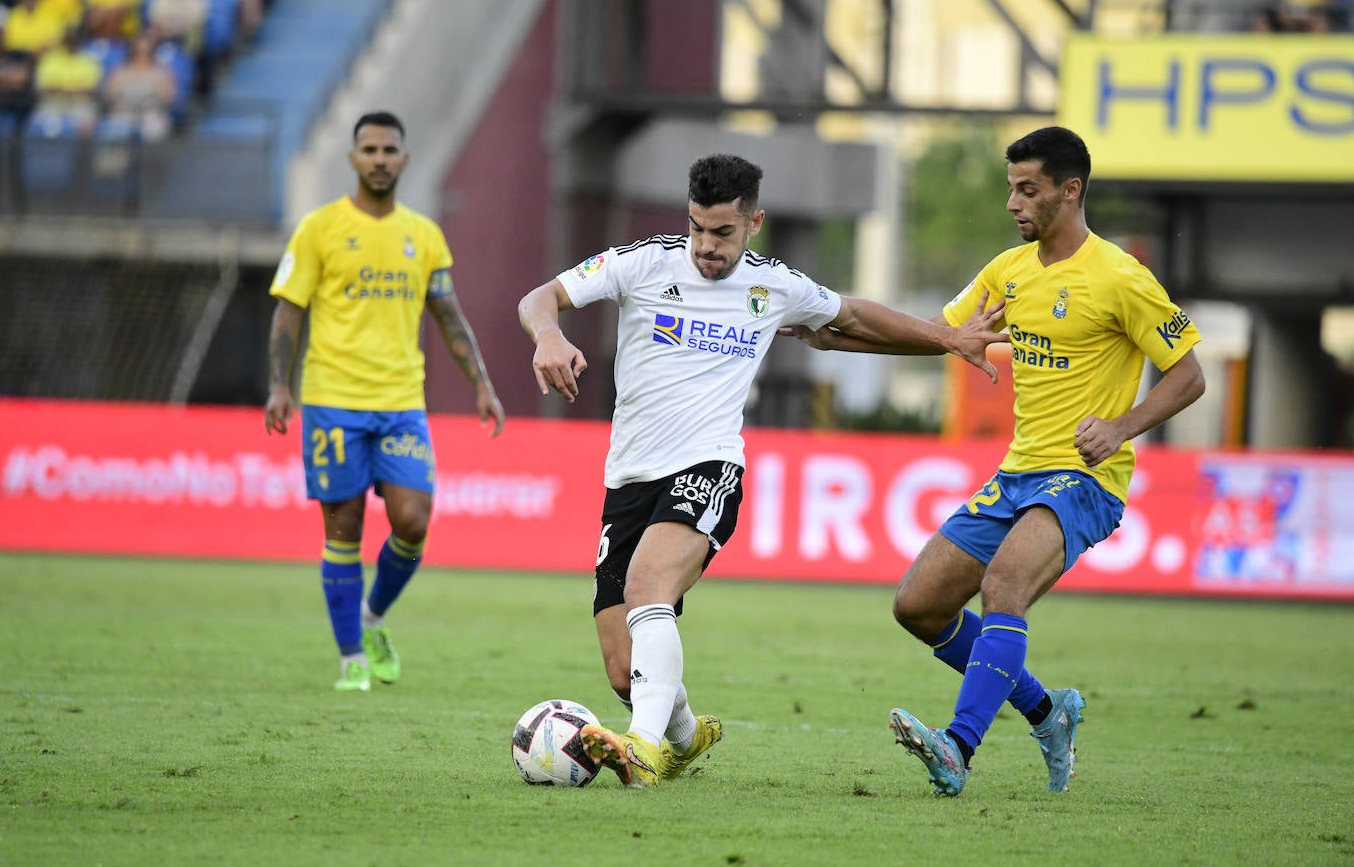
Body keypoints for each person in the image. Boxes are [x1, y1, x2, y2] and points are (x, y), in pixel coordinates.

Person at [517, 153, 1009, 788]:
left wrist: (948, 338)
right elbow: (541, 298)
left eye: (722, 232)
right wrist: (547, 335)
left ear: (754, 223)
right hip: (628, 480)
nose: (705, 246)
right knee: (622, 669)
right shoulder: (643, 262)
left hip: (709, 467)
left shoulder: (775, 286)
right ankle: (686, 735)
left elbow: (854, 317)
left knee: (647, 590)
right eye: (697, 227)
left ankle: (641, 748)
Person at [789, 126, 1206, 797]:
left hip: (1084, 479)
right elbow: (949, 338)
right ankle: (1048, 711)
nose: (1013, 203)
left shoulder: (1120, 277)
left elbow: (1188, 375)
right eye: (1011, 188)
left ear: (1069, 192)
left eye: (1028, 190)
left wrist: (1123, 426)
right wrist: (840, 343)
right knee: (919, 607)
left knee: (1005, 587)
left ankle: (958, 748)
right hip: (1018, 476)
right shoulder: (1008, 273)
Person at [264, 111, 506, 692]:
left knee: (413, 521)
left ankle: (371, 620)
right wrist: (279, 385)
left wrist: (481, 383)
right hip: (332, 399)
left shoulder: (423, 235)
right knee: (343, 528)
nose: (378, 158)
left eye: (388, 149)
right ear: (353, 159)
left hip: (400, 402)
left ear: (403, 158)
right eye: (368, 149)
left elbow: (448, 314)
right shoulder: (319, 229)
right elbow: (288, 311)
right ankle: (352, 661)